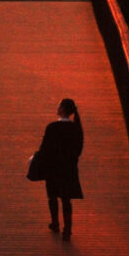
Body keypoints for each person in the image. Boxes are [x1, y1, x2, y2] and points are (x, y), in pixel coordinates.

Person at [36, 98, 83, 241]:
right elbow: (78, 149)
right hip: (68, 168)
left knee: (52, 196)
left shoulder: (52, 127)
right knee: (66, 199)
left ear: (62, 109)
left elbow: (44, 148)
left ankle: (55, 223)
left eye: (59, 106)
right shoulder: (76, 128)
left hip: (53, 167)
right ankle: (67, 229)